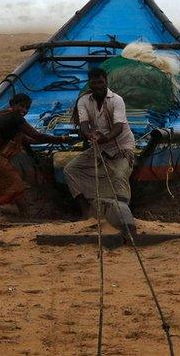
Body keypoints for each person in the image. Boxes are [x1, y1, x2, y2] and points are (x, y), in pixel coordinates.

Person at [0, 93, 72, 216]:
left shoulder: (4, 115)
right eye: (21, 106)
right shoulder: (16, 118)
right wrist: (62, 139)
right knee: (14, 181)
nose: (24, 110)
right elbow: (37, 136)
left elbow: (28, 140)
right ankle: (26, 214)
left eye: (27, 108)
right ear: (12, 104)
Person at [63, 67, 138, 235]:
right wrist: (89, 134)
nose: (97, 85)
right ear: (90, 83)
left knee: (119, 176)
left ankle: (122, 217)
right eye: (94, 82)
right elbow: (83, 124)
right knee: (71, 169)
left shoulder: (116, 100)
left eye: (100, 82)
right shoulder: (84, 101)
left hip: (121, 146)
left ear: (106, 82)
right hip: (99, 146)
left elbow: (118, 127)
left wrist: (103, 138)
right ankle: (86, 211)